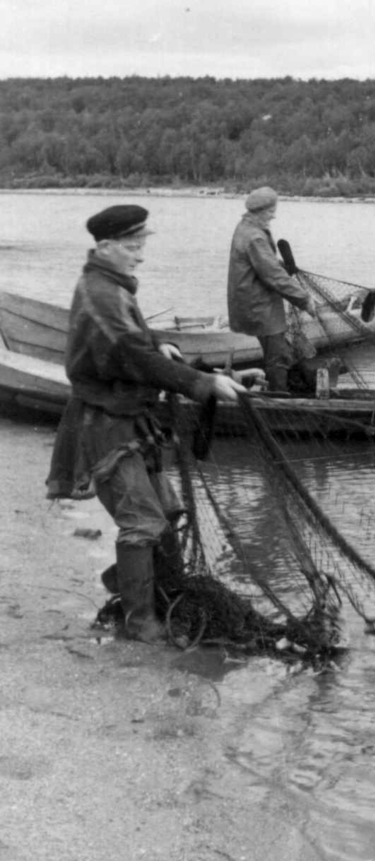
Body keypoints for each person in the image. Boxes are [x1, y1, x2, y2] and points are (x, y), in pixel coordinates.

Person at [46, 204, 246, 643]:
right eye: (133, 247)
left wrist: (166, 345)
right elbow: (132, 355)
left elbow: (136, 342)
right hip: (104, 426)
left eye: (142, 245)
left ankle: (129, 581)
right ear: (105, 247)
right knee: (142, 523)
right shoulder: (101, 292)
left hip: (131, 420)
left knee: (168, 512)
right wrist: (203, 383)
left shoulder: (112, 285)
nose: (141, 255)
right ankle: (140, 622)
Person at [227, 187, 317, 393]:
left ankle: (278, 392)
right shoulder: (255, 237)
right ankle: (280, 402)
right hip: (260, 307)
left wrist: (279, 265)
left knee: (280, 352)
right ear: (258, 211)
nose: (273, 215)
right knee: (279, 357)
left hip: (252, 304)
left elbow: (265, 264)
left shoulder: (246, 227)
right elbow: (273, 276)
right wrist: (305, 300)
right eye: (270, 211)